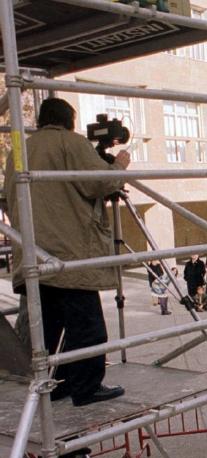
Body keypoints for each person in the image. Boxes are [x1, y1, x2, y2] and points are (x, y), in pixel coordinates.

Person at [5, 98, 131, 406]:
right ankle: (86, 388)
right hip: (68, 257)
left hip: (33, 256)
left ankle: (57, 385)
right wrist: (120, 165)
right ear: (69, 121)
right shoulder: (70, 143)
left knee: (48, 331)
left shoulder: (17, 152)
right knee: (87, 328)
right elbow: (99, 184)